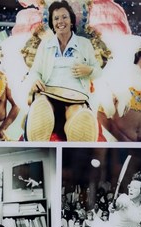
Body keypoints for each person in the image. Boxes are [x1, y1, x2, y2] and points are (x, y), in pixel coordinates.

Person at [24, 0, 102, 141]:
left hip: (76, 95)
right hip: (49, 92)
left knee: (77, 114)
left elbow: (98, 72)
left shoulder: (85, 44)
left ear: (71, 20)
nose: (60, 21)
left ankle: (79, 138)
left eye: (64, 17)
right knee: (42, 106)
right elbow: (35, 71)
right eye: (56, 18)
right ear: (52, 23)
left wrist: (89, 70)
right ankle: (39, 137)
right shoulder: (45, 44)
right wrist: (35, 80)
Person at [99, 44, 141, 142]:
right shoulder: (119, 80)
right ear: (136, 59)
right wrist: (122, 139)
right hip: (118, 144)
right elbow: (101, 114)